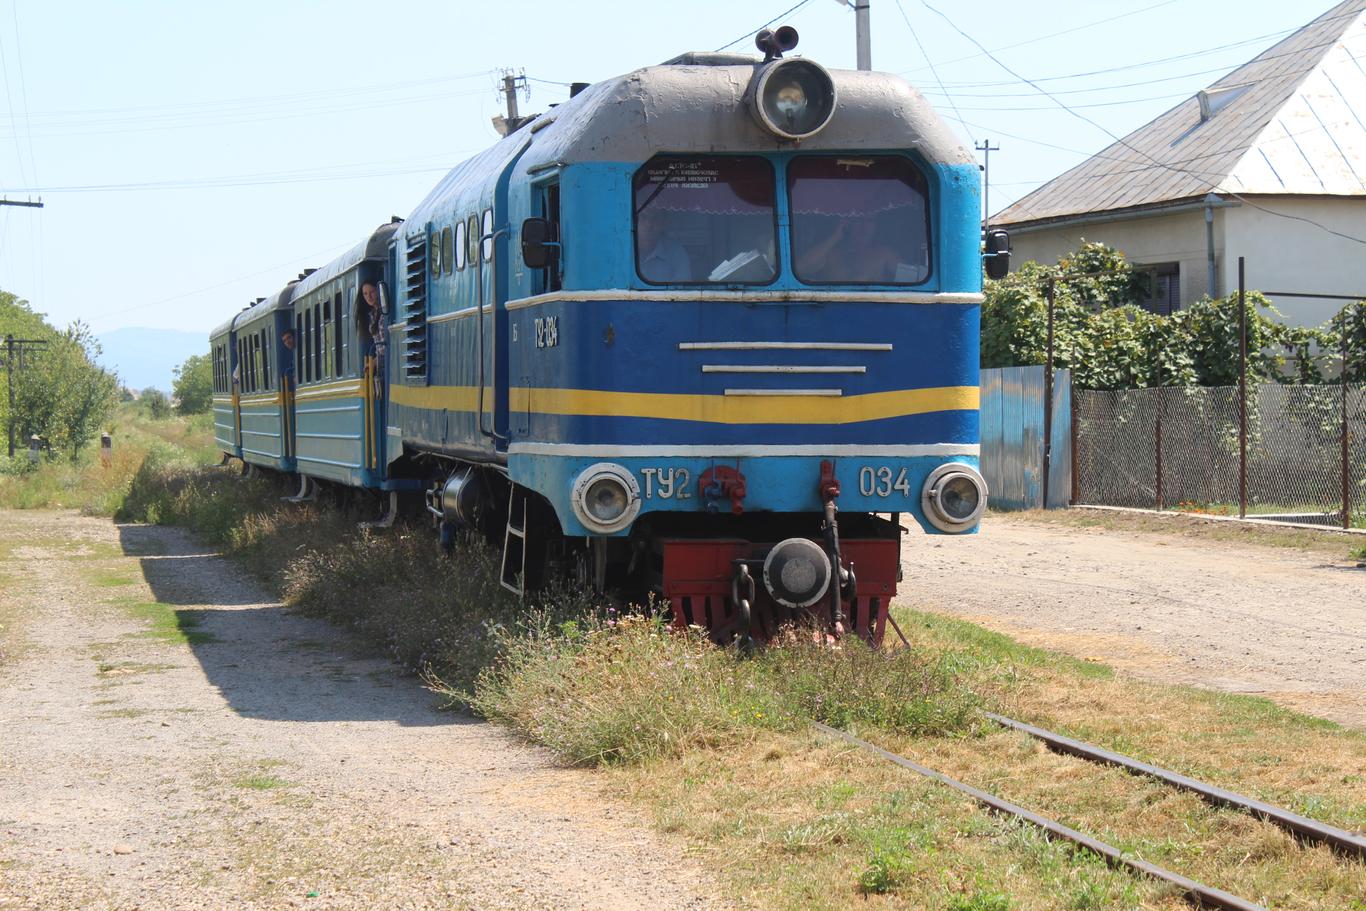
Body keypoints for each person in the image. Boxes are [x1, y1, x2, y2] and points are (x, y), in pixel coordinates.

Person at [796, 214, 902, 283]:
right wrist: (835, 237)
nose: (864, 227)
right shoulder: (831, 253)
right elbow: (801, 268)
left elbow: (912, 278)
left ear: (876, 226)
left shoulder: (884, 254)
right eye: (858, 220)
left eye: (870, 220)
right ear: (847, 224)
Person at [636, 206, 693, 282]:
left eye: (655, 218)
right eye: (643, 217)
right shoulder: (623, 249)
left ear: (663, 223)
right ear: (635, 221)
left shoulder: (676, 252)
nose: (649, 224)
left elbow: (682, 288)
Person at [362, 281, 386, 393]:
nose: (369, 297)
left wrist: (376, 361)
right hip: (380, 364)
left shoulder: (385, 311)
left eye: (372, 292)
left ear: (379, 290)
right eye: (365, 294)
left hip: (385, 362)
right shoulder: (372, 315)